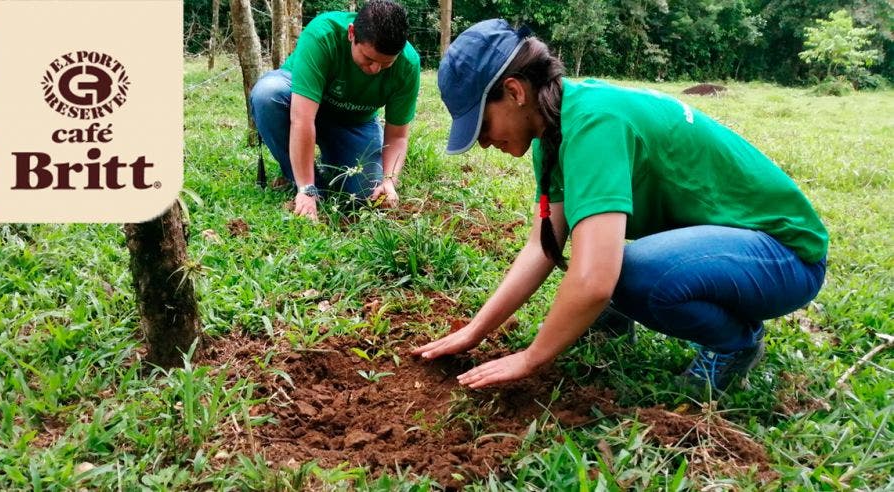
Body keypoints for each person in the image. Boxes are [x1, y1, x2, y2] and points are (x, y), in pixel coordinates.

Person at [413, 19, 829, 395]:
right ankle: (614, 319)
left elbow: (595, 279)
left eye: (482, 126)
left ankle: (735, 344)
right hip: (737, 250)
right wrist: (475, 331)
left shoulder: (595, 123)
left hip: (786, 257)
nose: (483, 142)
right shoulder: (555, 129)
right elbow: (544, 245)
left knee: (622, 272)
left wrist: (531, 357)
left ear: (515, 91)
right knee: (609, 265)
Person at [249, 0, 421, 220]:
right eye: (368, 59)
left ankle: (331, 162)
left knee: (365, 194)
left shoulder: (408, 64)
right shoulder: (323, 35)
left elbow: (397, 136)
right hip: (301, 105)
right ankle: (306, 181)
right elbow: (302, 118)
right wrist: (306, 189)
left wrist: (389, 180)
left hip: (354, 122)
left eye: (386, 63)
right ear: (352, 34)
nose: (375, 69)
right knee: (267, 94)